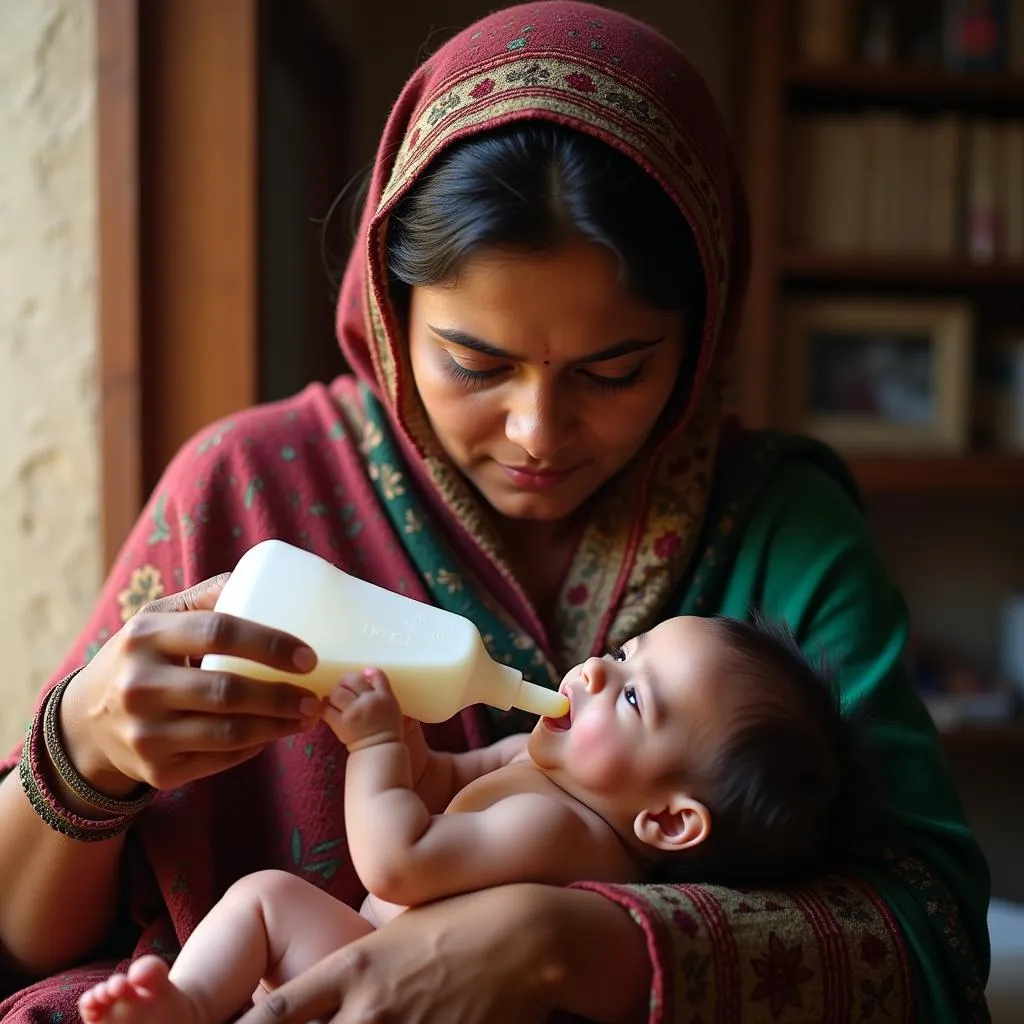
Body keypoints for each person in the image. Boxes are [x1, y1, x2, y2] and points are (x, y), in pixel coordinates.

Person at [0, 2, 990, 1022]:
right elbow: (11, 935)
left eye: (615, 369)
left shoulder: (781, 523)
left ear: (696, 339)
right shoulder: (247, 485)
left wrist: (565, 944)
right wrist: (84, 750)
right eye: (476, 362)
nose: (536, 431)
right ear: (392, 314)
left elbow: (932, 940)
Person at [77, 613, 855, 1024]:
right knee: (268, 904)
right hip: (368, 961)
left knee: (264, 898)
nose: (593, 669)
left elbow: (401, 862)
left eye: (630, 697)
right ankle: (184, 1006)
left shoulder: (563, 833)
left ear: (668, 823)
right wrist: (409, 743)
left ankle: (188, 1008)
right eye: (624, 651)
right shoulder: (542, 762)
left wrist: (376, 744)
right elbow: (437, 782)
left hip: (397, 985)